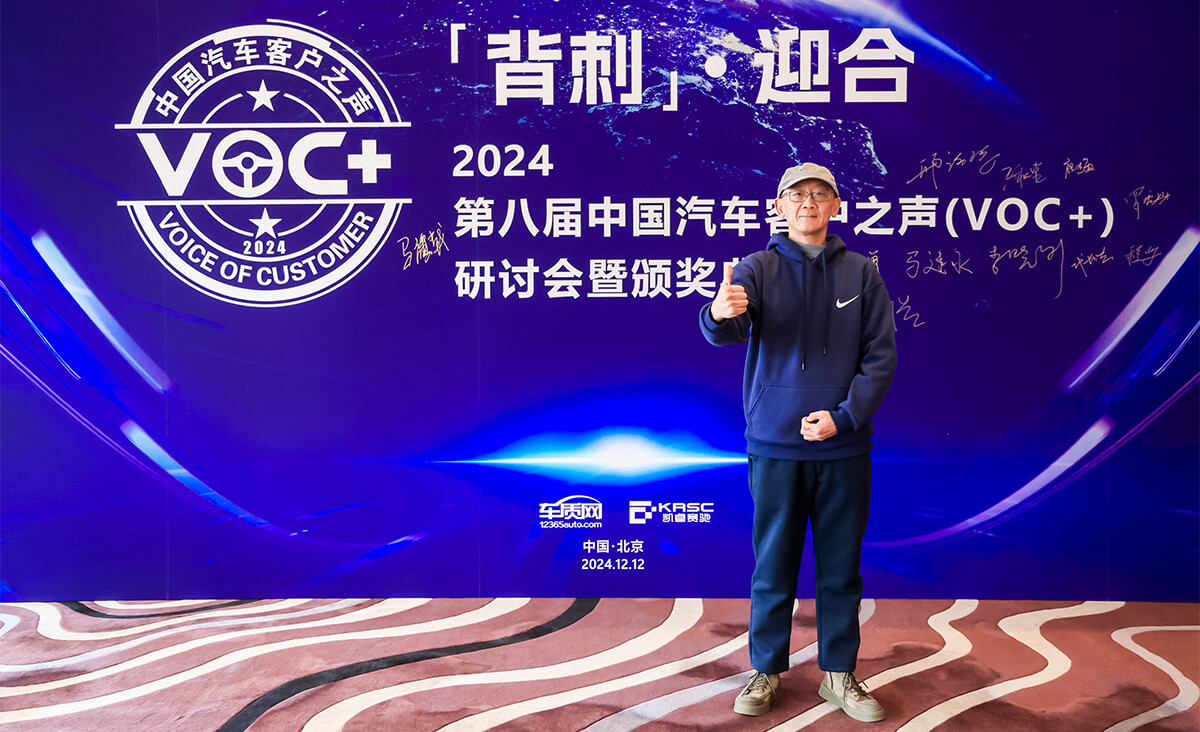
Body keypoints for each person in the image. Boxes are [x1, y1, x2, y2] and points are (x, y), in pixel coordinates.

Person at [699, 162, 897, 722]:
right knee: (773, 566)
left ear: (836, 206)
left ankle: (839, 673)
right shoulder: (757, 268)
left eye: (819, 194)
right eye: (796, 194)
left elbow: (880, 358)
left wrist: (844, 418)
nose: (808, 202)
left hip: (843, 447)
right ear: (779, 206)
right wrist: (717, 314)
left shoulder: (861, 272)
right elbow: (728, 328)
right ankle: (765, 669)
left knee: (841, 569)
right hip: (775, 443)